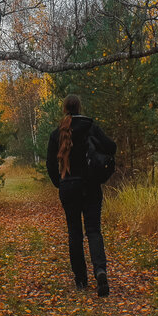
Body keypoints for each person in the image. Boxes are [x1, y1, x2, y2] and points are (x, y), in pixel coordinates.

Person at [46, 94, 116, 296]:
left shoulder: (57, 134)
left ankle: (80, 280)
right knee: (93, 231)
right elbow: (112, 147)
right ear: (79, 107)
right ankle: (100, 271)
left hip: (68, 187)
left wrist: (59, 184)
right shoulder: (91, 128)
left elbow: (51, 165)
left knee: (74, 233)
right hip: (91, 186)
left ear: (64, 109)